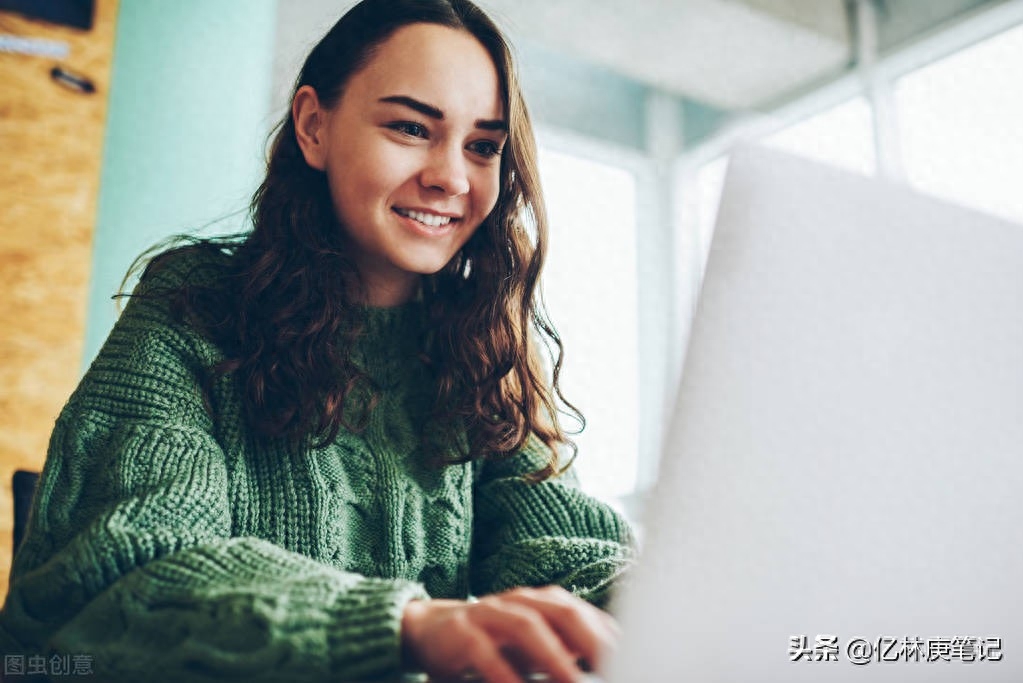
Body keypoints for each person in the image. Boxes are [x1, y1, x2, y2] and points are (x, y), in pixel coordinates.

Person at [0, 0, 634, 680]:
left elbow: (566, 549)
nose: (451, 176)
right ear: (312, 126)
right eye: (411, 127)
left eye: (482, 146)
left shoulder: (481, 351)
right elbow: (123, 571)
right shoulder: (193, 305)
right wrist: (404, 626)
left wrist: (657, 603)